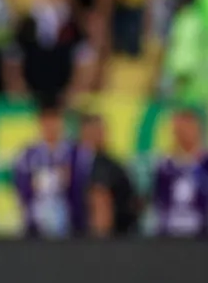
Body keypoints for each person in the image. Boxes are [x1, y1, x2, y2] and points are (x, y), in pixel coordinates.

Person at [152, 108, 208, 238]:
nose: (182, 134)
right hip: (170, 236)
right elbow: (156, 199)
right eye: (178, 130)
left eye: (186, 128)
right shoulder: (163, 166)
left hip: (206, 235)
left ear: (197, 129)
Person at [13, 96, 81, 238]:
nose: (51, 126)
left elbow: (80, 187)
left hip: (68, 223)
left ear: (61, 121)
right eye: (47, 120)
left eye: (55, 120)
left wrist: (69, 179)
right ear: (40, 122)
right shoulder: (28, 154)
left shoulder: (74, 153)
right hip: (36, 223)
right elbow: (21, 187)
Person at [78, 114, 139, 237]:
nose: (95, 136)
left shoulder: (110, 166)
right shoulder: (74, 164)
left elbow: (104, 202)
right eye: (91, 132)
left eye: (98, 132)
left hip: (112, 237)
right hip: (77, 236)